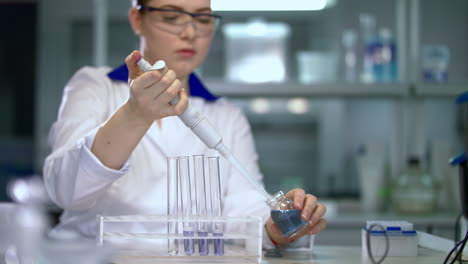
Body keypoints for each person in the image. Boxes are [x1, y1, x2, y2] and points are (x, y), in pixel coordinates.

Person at [43, 0, 327, 248]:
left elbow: (243, 208)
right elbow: (66, 191)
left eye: (202, 19)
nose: (190, 32)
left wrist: (273, 229)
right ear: (137, 19)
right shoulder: (95, 87)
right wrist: (134, 115)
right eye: (171, 17)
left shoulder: (226, 115)